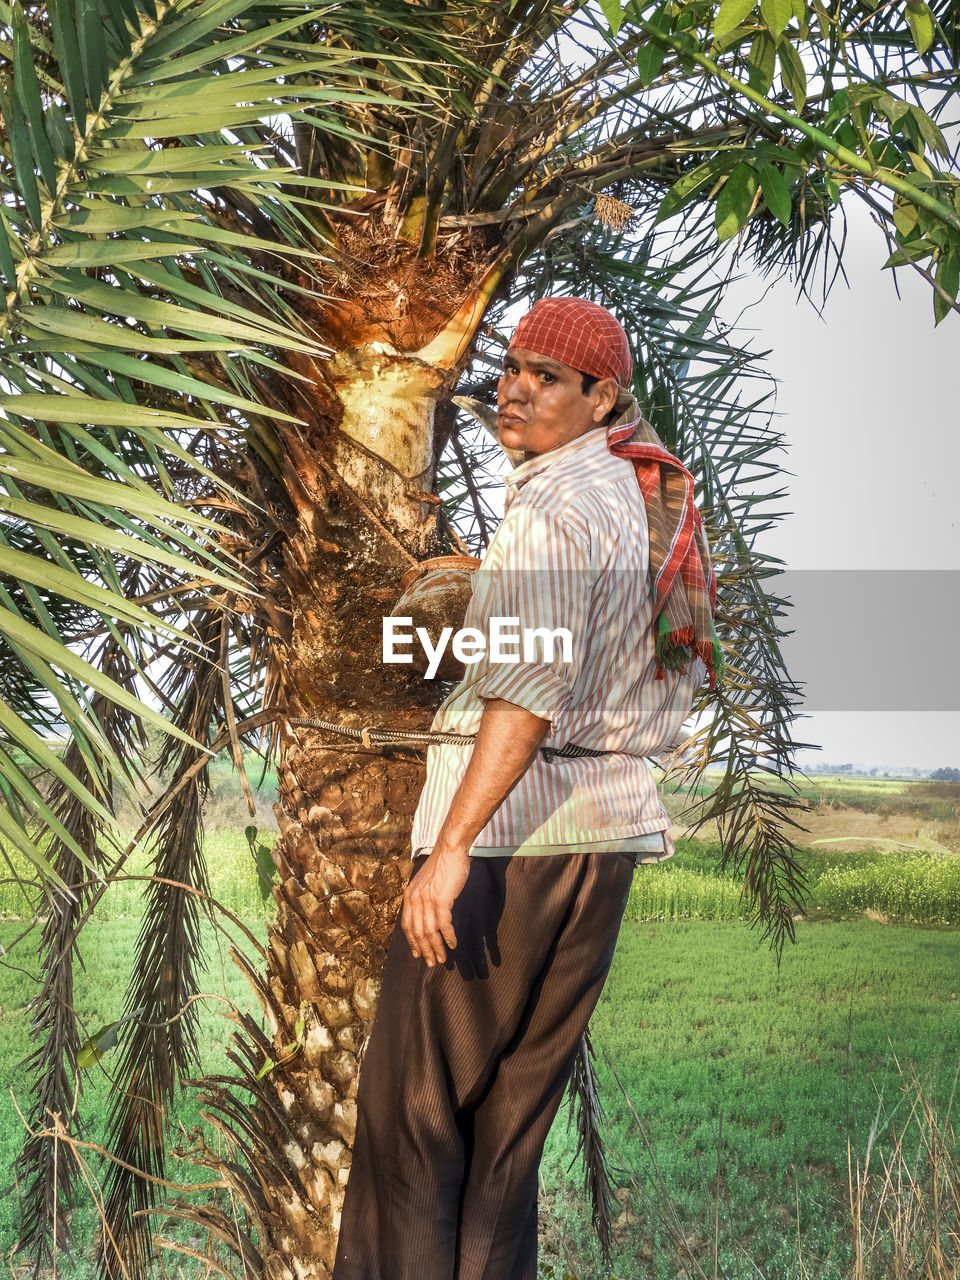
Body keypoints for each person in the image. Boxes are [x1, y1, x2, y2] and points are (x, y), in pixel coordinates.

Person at [333, 296, 720, 1280]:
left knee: (416, 1129)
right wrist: (477, 578)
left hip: (508, 845)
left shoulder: (553, 508)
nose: (516, 388)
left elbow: (530, 688)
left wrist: (453, 845)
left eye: (549, 376)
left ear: (601, 396)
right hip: (605, 844)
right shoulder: (634, 499)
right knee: (502, 1153)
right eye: (513, 367)